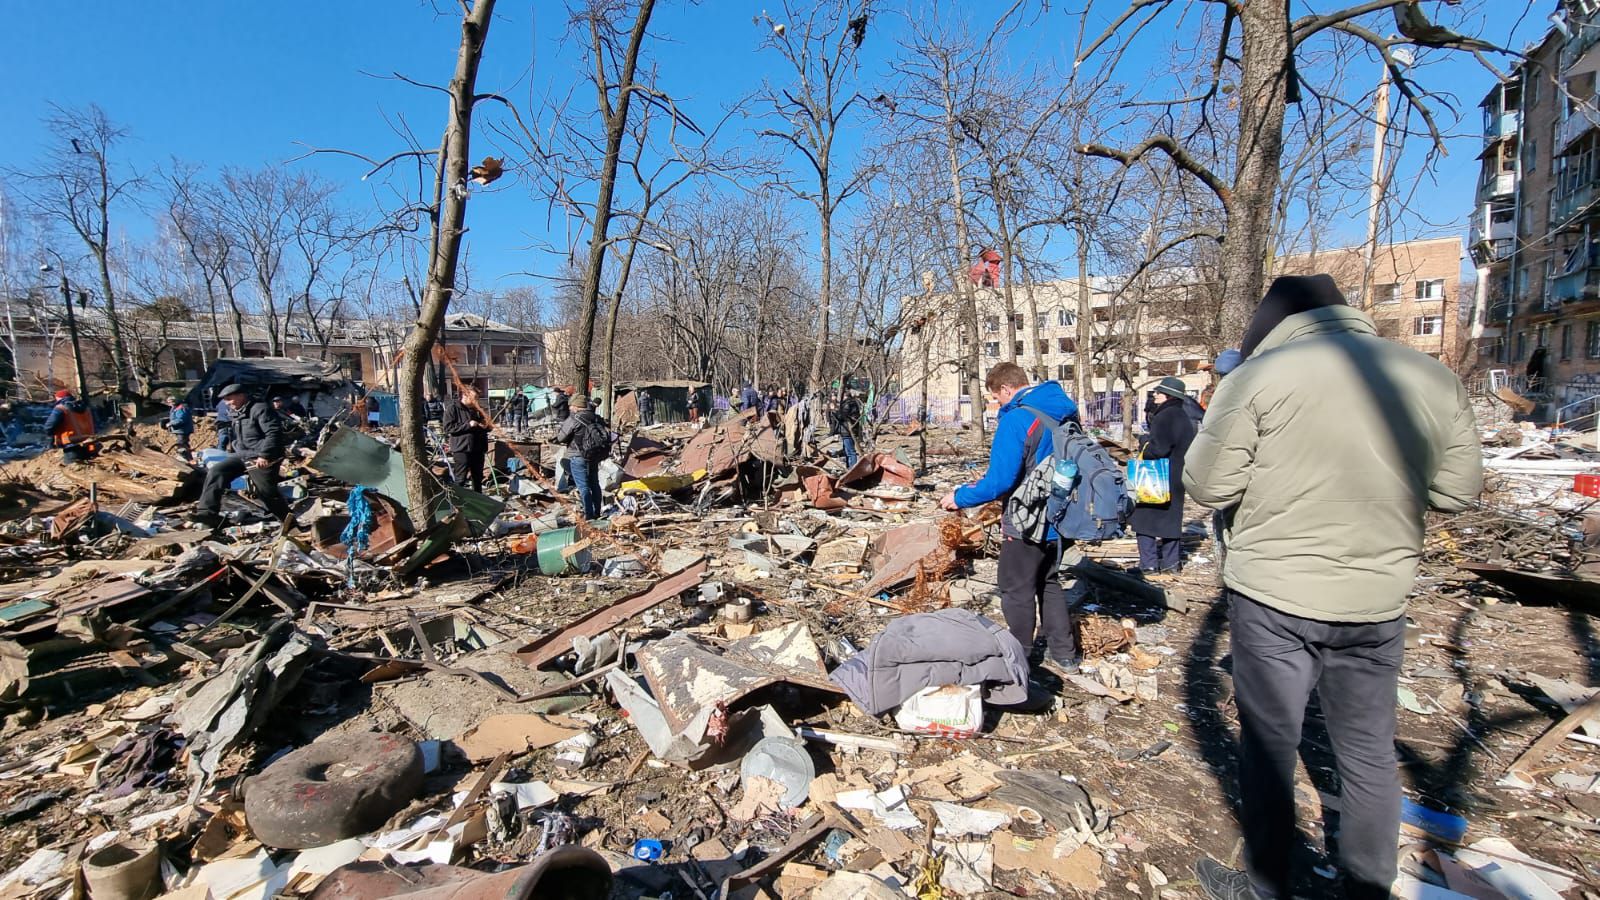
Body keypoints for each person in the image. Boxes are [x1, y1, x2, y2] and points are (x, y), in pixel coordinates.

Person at [1184, 275, 1483, 900]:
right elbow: (1457, 492)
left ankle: (1266, 884)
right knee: (1369, 753)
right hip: (1376, 599)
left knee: (1269, 746)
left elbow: (1209, 486)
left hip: (1274, 598)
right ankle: (1367, 886)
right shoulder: (1432, 378)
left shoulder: (1257, 378)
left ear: (1274, 322)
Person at [938, 362, 1081, 675]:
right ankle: (1065, 653)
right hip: (1062, 513)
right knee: (1049, 581)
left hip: (1027, 516)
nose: (996, 404)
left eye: (995, 397)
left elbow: (1000, 481)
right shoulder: (1065, 411)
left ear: (1006, 389)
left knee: (1015, 588)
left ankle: (1018, 661)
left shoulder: (1017, 418)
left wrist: (959, 496)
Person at [196, 384, 291, 527]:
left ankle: (290, 523)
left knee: (266, 493)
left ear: (241, 395)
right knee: (217, 471)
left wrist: (265, 455)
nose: (227, 403)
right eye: (225, 400)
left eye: (229, 399)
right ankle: (207, 513)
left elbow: (274, 433)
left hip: (264, 456)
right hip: (243, 454)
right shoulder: (237, 411)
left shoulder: (260, 409)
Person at [1132, 377, 1196, 576]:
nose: (1155, 394)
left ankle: (1148, 565)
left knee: (1143, 520)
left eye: (1159, 392)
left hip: (1156, 477)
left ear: (1169, 395)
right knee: (1171, 521)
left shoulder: (1165, 416)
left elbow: (1158, 449)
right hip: (1177, 476)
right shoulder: (1184, 416)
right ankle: (1171, 564)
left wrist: (1143, 441)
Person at [555, 395, 611, 520]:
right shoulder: (596, 418)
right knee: (594, 484)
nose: (569, 408)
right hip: (594, 456)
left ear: (576, 406)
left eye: (571, 406)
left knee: (583, 487)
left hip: (577, 456)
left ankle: (588, 515)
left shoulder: (574, 418)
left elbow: (561, 438)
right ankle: (597, 512)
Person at [443, 386, 491, 493]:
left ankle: (478, 500)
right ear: (464, 395)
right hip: (462, 448)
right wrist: (468, 425)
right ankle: (457, 501)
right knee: (461, 478)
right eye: (474, 398)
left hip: (478, 448)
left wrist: (486, 426)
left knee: (477, 478)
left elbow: (488, 426)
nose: (476, 401)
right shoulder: (453, 409)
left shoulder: (477, 410)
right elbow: (448, 428)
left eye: (477, 398)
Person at [45, 390, 97, 463]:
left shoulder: (61, 409)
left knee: (74, 469)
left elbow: (49, 427)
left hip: (71, 446)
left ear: (59, 398)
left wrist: (51, 440)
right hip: (89, 443)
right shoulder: (86, 408)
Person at [832, 390, 862, 468]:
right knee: (847, 451)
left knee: (850, 452)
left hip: (847, 431)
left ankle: (853, 469)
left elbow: (841, 416)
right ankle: (849, 468)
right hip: (848, 430)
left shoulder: (848, 404)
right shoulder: (851, 403)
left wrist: (834, 411)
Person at [167, 395, 195, 464]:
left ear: (174, 402)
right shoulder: (175, 408)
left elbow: (181, 420)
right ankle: (189, 459)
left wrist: (170, 423)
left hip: (183, 430)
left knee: (181, 445)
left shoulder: (180, 408)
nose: (169, 404)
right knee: (184, 444)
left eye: (170, 402)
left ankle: (189, 460)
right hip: (180, 430)